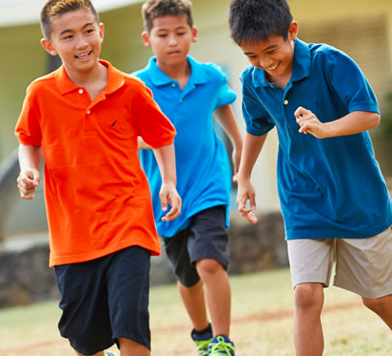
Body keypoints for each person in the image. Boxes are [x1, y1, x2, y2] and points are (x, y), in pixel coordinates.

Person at [228, 1, 392, 355]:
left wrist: (325, 128)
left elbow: (369, 114)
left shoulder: (329, 62)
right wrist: (243, 176)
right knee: (305, 294)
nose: (265, 63)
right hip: (302, 197)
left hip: (357, 196)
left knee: (376, 298)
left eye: (271, 51)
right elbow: (257, 127)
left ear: (292, 31)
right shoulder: (253, 81)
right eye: (251, 56)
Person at [15, 1, 181, 355]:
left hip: (128, 223)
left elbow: (161, 136)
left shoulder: (130, 89)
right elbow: (29, 141)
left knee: (130, 326)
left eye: (88, 31)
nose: (81, 43)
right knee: (87, 342)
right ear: (50, 45)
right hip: (72, 236)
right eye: (68, 35)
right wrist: (28, 169)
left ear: (100, 31)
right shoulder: (40, 93)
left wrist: (168, 182)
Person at [133, 0, 243, 355]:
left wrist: (239, 145)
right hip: (165, 194)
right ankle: (202, 333)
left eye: (180, 33)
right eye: (163, 34)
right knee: (188, 276)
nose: (173, 41)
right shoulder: (137, 86)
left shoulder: (209, 76)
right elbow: (123, 132)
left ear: (193, 34)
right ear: (148, 38)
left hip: (210, 182)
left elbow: (222, 103)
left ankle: (223, 342)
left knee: (209, 261)